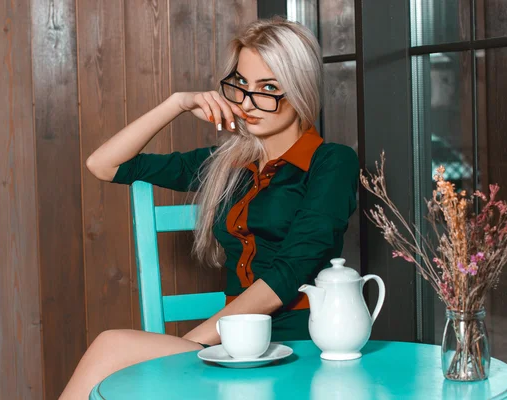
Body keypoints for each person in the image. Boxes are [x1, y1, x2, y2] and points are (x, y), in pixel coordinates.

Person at [59, 16, 359, 399]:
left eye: (268, 88)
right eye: (240, 85)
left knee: (113, 346)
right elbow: (104, 165)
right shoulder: (225, 164)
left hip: (297, 340)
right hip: (232, 341)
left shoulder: (331, 162)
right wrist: (177, 103)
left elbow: (291, 272)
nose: (248, 103)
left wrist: (191, 343)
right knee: (112, 349)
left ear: (299, 90)